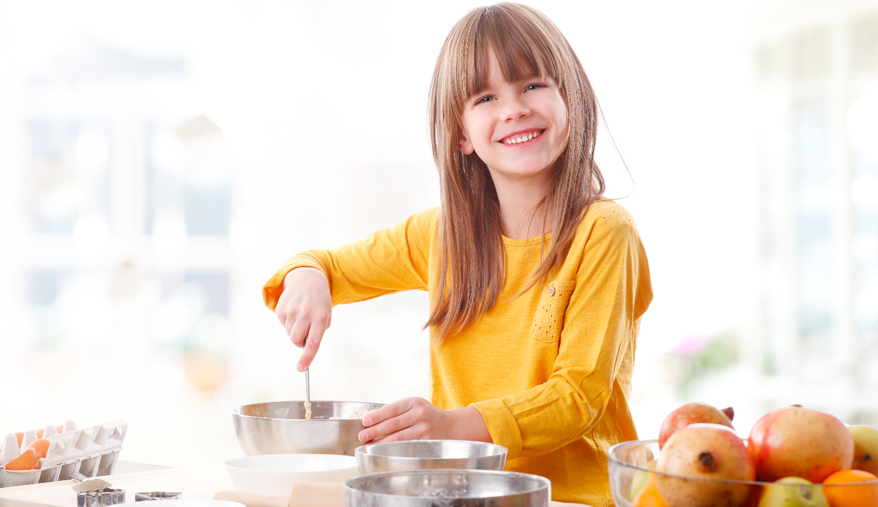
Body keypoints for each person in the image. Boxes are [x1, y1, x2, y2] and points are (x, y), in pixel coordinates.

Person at [262, 3, 653, 505]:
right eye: (486, 97)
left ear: (571, 99)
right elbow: (325, 264)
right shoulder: (443, 236)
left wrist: (450, 425)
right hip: (466, 495)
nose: (514, 108)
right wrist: (307, 276)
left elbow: (579, 396)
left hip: (575, 499)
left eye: (533, 85)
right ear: (461, 135)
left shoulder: (603, 233)